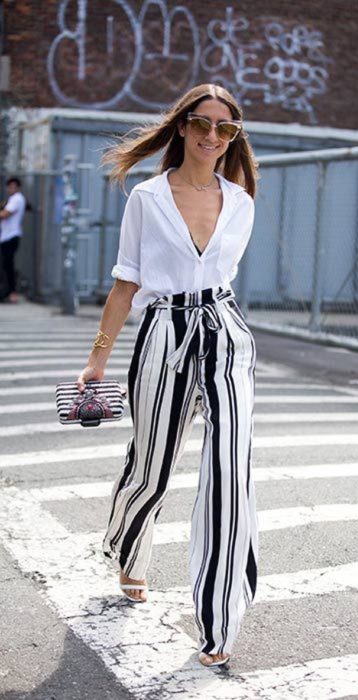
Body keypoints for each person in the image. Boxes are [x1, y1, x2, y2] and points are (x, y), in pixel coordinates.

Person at [76, 84, 259, 668]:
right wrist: (97, 358)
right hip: (164, 334)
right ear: (181, 127)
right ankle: (129, 546)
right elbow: (126, 285)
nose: (212, 136)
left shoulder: (242, 202)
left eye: (224, 129)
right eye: (202, 124)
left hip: (226, 336)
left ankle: (219, 620)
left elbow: (222, 277)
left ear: (233, 137)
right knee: (152, 467)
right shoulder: (148, 199)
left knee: (231, 472)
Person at [0, 177, 26, 303]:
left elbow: (5, 214)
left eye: (14, 187)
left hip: (11, 236)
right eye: (9, 187)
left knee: (8, 266)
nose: (11, 189)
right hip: (6, 236)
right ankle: (9, 291)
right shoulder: (11, 199)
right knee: (6, 265)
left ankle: (12, 292)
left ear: (18, 188)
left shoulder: (17, 198)